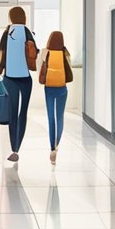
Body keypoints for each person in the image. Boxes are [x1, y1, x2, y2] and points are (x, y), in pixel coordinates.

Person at [0, 6, 37, 162]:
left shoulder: (7, 32)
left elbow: (0, 53)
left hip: (10, 78)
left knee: (12, 113)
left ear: (11, 17)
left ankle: (14, 149)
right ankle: (17, 146)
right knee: (22, 113)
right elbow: (35, 53)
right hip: (26, 78)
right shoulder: (27, 32)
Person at [39, 30, 74, 162]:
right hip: (62, 89)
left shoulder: (45, 52)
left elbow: (40, 67)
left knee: (51, 118)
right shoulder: (65, 52)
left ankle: (51, 148)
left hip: (49, 89)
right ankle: (56, 145)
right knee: (60, 117)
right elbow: (69, 68)